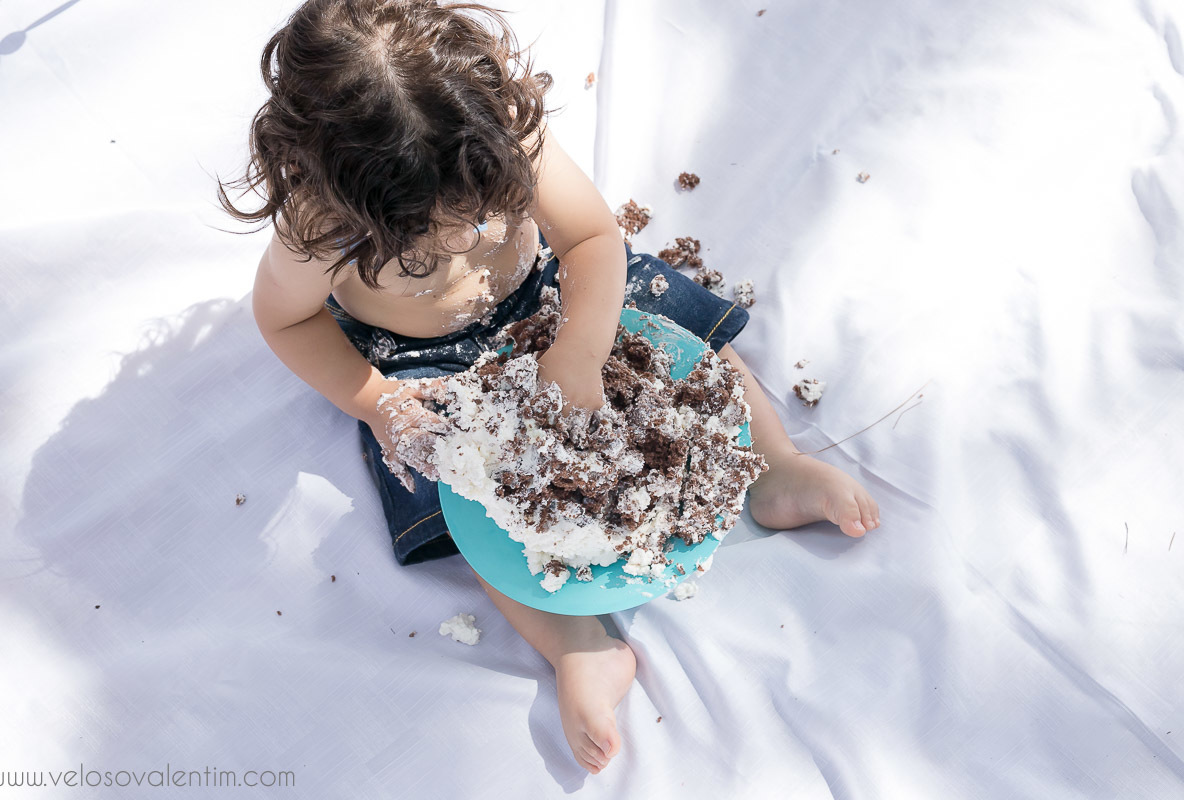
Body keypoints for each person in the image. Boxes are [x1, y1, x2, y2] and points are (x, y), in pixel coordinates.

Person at [219, 0, 882, 775]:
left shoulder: (500, 131)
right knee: (447, 488)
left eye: (475, 214)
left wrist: (581, 344)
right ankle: (578, 646)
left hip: (548, 295)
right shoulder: (320, 228)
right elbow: (287, 324)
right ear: (346, 198)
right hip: (426, 360)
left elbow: (592, 238)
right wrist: (377, 400)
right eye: (426, 240)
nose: (463, 242)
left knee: (679, 338)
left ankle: (770, 463)